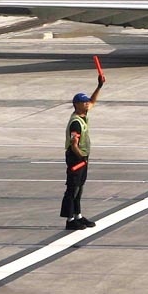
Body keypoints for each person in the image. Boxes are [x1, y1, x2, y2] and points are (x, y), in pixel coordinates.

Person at [61, 75, 104, 230]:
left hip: (82, 157)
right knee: (73, 188)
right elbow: (74, 145)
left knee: (80, 186)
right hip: (76, 157)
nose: (87, 103)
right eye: (83, 101)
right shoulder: (76, 123)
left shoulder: (83, 114)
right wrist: (81, 158)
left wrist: (99, 86)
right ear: (76, 105)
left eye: (86, 101)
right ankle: (70, 219)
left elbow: (93, 102)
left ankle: (78, 216)